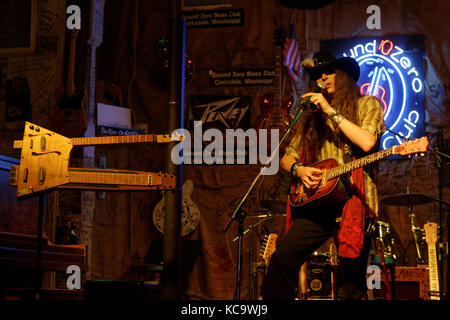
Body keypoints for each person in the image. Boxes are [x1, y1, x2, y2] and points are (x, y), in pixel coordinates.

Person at [261, 50, 386, 300]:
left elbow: (367, 141)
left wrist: (330, 109)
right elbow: (287, 157)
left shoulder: (366, 103)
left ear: (346, 77)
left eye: (329, 72)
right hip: (319, 203)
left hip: (355, 203)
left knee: (351, 283)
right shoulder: (311, 117)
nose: (323, 77)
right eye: (319, 74)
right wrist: (299, 169)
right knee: (282, 258)